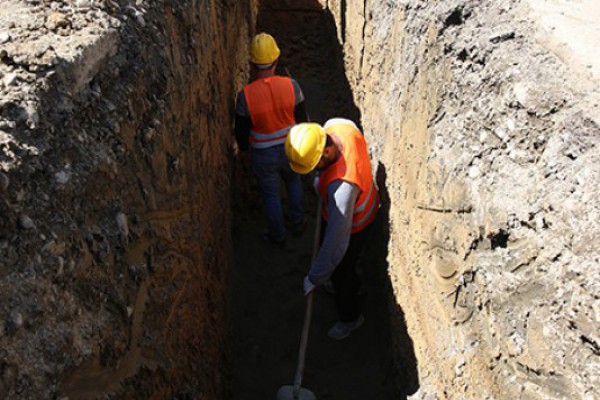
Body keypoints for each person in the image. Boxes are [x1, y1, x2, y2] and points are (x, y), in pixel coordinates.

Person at [284, 118, 380, 339]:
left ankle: (351, 318)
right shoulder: (338, 127)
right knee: (332, 262)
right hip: (356, 204)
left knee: (342, 273)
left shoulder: (342, 189)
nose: (312, 172)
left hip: (356, 224)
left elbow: (337, 242)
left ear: (325, 154)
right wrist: (321, 179)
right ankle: (333, 279)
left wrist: (315, 277)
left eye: (314, 166)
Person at [234, 33, 309, 247]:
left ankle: (278, 235)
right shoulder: (292, 85)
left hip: (263, 155)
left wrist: (244, 150)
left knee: (270, 195)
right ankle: (298, 221)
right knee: (294, 182)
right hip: (291, 147)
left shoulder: (245, 96)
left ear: (252, 64)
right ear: (276, 61)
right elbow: (303, 120)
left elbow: (241, 131)